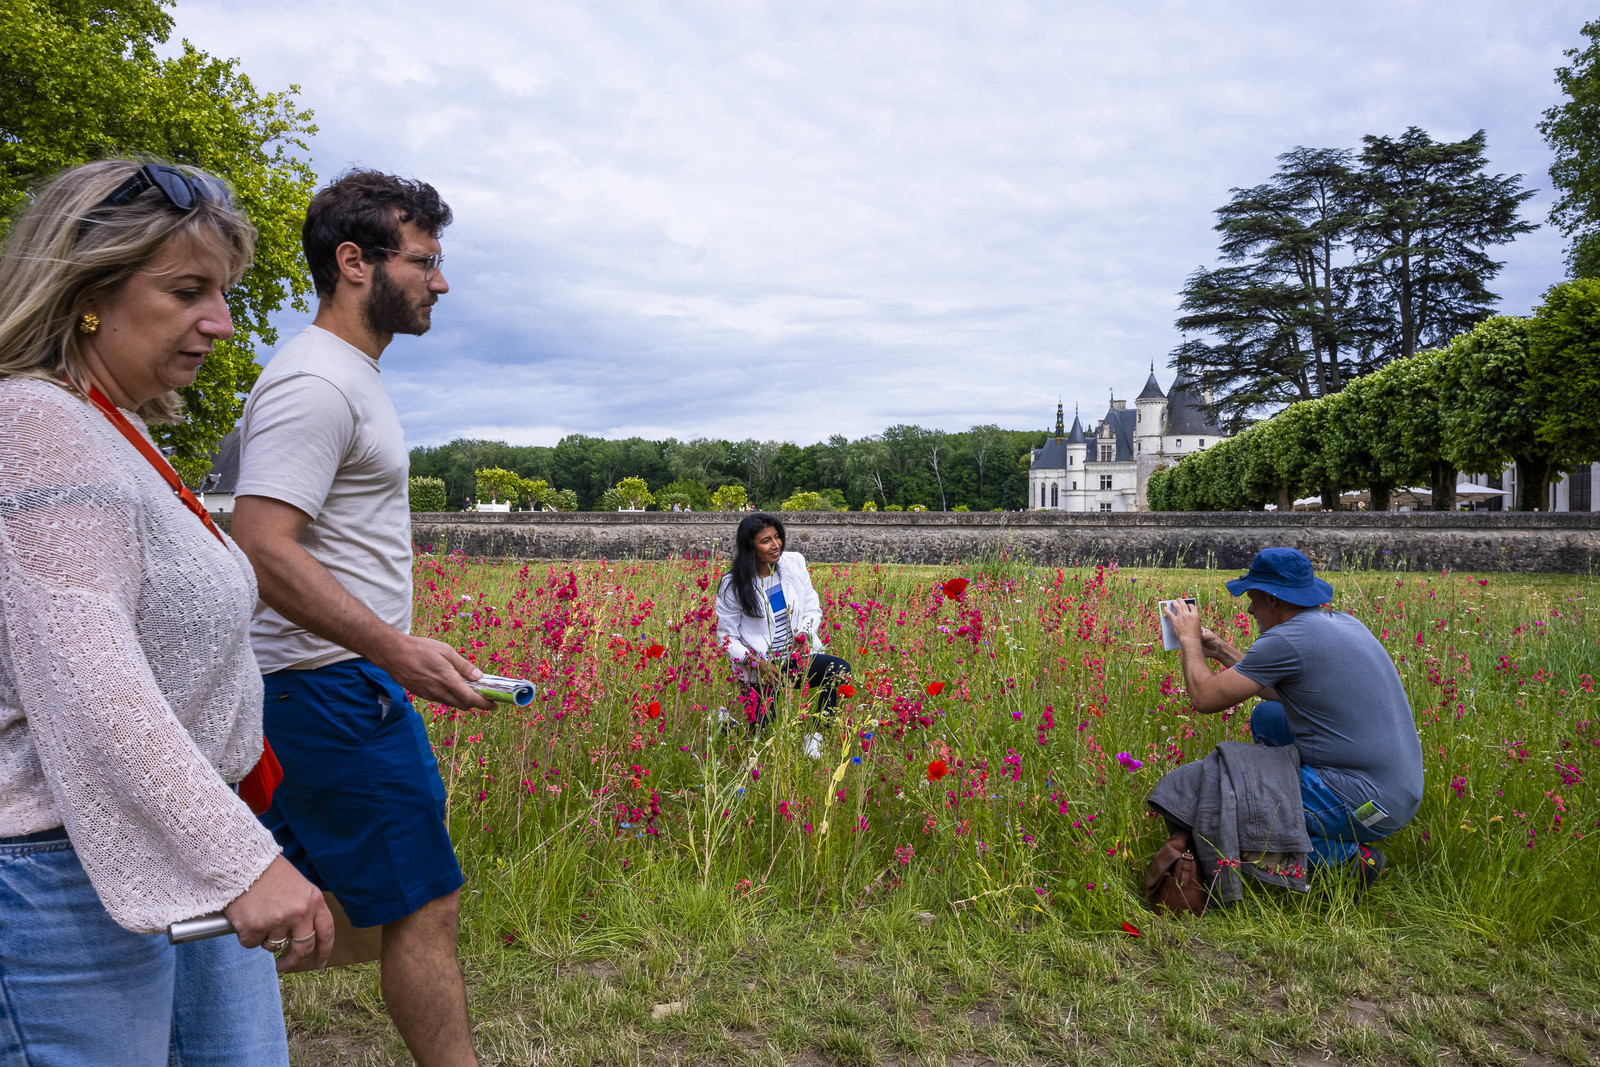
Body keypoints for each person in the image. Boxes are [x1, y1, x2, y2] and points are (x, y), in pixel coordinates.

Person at [0, 159, 333, 1064]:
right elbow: (87, 677)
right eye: (189, 290)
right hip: (59, 873)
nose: (221, 323)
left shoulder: (114, 425)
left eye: (221, 292)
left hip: (169, 835)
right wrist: (243, 859)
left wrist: (224, 843)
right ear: (86, 291)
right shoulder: (36, 423)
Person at [231, 170, 492, 1067]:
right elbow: (262, 544)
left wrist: (394, 653)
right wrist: (393, 650)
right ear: (355, 263)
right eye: (424, 261)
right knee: (425, 908)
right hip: (331, 687)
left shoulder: (347, 375)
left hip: (334, 683)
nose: (440, 282)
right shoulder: (315, 385)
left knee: (308, 907)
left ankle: (164, 987)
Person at [1162, 548, 1423, 886]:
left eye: (1253, 597)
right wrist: (1221, 649)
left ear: (1272, 599)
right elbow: (1278, 689)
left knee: (1220, 803)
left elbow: (1205, 697)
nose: (1250, 608)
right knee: (1269, 716)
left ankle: (1342, 862)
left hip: (1365, 804)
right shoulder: (1343, 623)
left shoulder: (1284, 640)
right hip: (1397, 794)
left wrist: (1187, 639)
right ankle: (1312, 826)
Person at [715, 514, 851, 750]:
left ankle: (815, 734)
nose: (775, 544)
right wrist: (756, 662)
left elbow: (812, 609)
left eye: (777, 537)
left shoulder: (794, 563)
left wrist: (804, 634)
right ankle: (726, 723)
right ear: (750, 546)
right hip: (761, 668)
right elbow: (726, 639)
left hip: (795, 659)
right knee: (763, 739)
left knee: (839, 670)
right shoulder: (733, 584)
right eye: (765, 541)